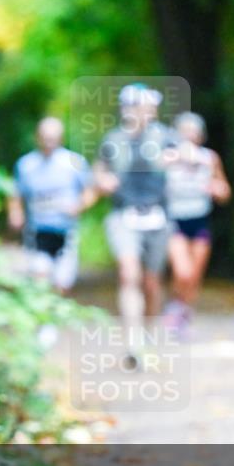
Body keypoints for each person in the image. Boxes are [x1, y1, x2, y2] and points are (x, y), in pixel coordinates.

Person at [94, 83, 177, 364]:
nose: (149, 112)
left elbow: (188, 157)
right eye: (144, 107)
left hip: (157, 214)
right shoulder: (112, 140)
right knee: (129, 275)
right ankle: (133, 341)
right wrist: (103, 182)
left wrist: (175, 160)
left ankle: (148, 335)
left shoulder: (166, 137)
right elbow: (99, 172)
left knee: (152, 282)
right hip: (123, 214)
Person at [8, 117, 95, 295]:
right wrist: (15, 213)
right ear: (37, 138)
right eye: (45, 137)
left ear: (61, 139)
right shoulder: (26, 165)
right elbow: (15, 194)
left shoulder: (74, 162)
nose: (49, 143)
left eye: (53, 138)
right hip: (37, 231)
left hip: (66, 232)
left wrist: (78, 206)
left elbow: (91, 190)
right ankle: (44, 320)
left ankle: (55, 318)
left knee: (62, 282)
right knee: (40, 275)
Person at [163, 111, 231, 338]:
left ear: (200, 136)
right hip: (174, 220)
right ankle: (175, 306)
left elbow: (224, 192)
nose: (189, 136)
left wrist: (216, 189)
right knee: (182, 271)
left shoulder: (210, 159)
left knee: (194, 275)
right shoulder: (167, 158)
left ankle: (184, 314)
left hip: (200, 219)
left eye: (193, 132)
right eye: (185, 132)